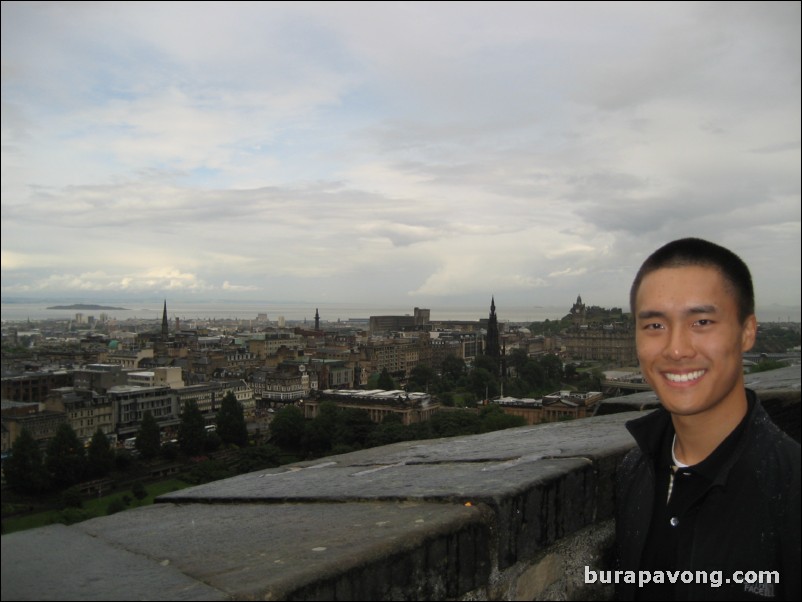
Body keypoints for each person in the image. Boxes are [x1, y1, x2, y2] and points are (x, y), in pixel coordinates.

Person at [616, 237, 800, 601]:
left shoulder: (792, 489)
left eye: (701, 321)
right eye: (654, 326)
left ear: (747, 332)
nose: (677, 349)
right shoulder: (634, 471)